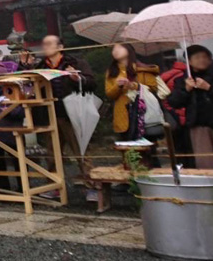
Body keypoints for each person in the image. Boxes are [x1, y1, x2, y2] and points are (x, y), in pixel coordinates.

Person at [19, 35, 97, 183]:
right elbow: (26, 83)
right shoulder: (41, 66)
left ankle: (92, 185)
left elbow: (92, 83)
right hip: (49, 113)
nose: (45, 47)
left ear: (60, 47)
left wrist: (78, 79)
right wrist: (24, 66)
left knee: (81, 150)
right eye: (44, 44)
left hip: (72, 113)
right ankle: (54, 185)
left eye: (49, 43)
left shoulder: (75, 63)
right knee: (52, 152)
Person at [167, 45, 213, 169]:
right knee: (205, 162)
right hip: (198, 126)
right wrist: (186, 90)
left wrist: (209, 88)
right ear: (189, 61)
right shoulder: (184, 80)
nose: (202, 60)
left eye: (205, 57)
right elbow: (174, 102)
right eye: (197, 57)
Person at [105, 43, 162, 139]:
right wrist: (118, 86)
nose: (115, 50)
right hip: (123, 117)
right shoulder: (112, 71)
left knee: (147, 150)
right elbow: (110, 94)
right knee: (128, 150)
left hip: (144, 115)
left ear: (129, 50)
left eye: (119, 47)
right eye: (114, 48)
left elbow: (153, 88)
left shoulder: (143, 69)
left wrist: (134, 86)